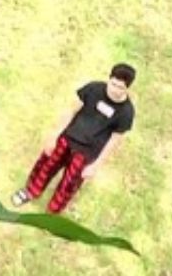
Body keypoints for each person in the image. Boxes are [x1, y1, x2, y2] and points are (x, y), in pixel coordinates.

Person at [13, 63, 136, 215]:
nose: (114, 90)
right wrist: (54, 135)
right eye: (113, 84)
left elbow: (114, 141)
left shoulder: (126, 112)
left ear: (127, 88)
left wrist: (96, 166)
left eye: (120, 87)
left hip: (87, 152)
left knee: (69, 183)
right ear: (109, 79)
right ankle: (30, 191)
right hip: (68, 137)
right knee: (46, 165)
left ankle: (52, 213)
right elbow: (71, 110)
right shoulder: (93, 89)